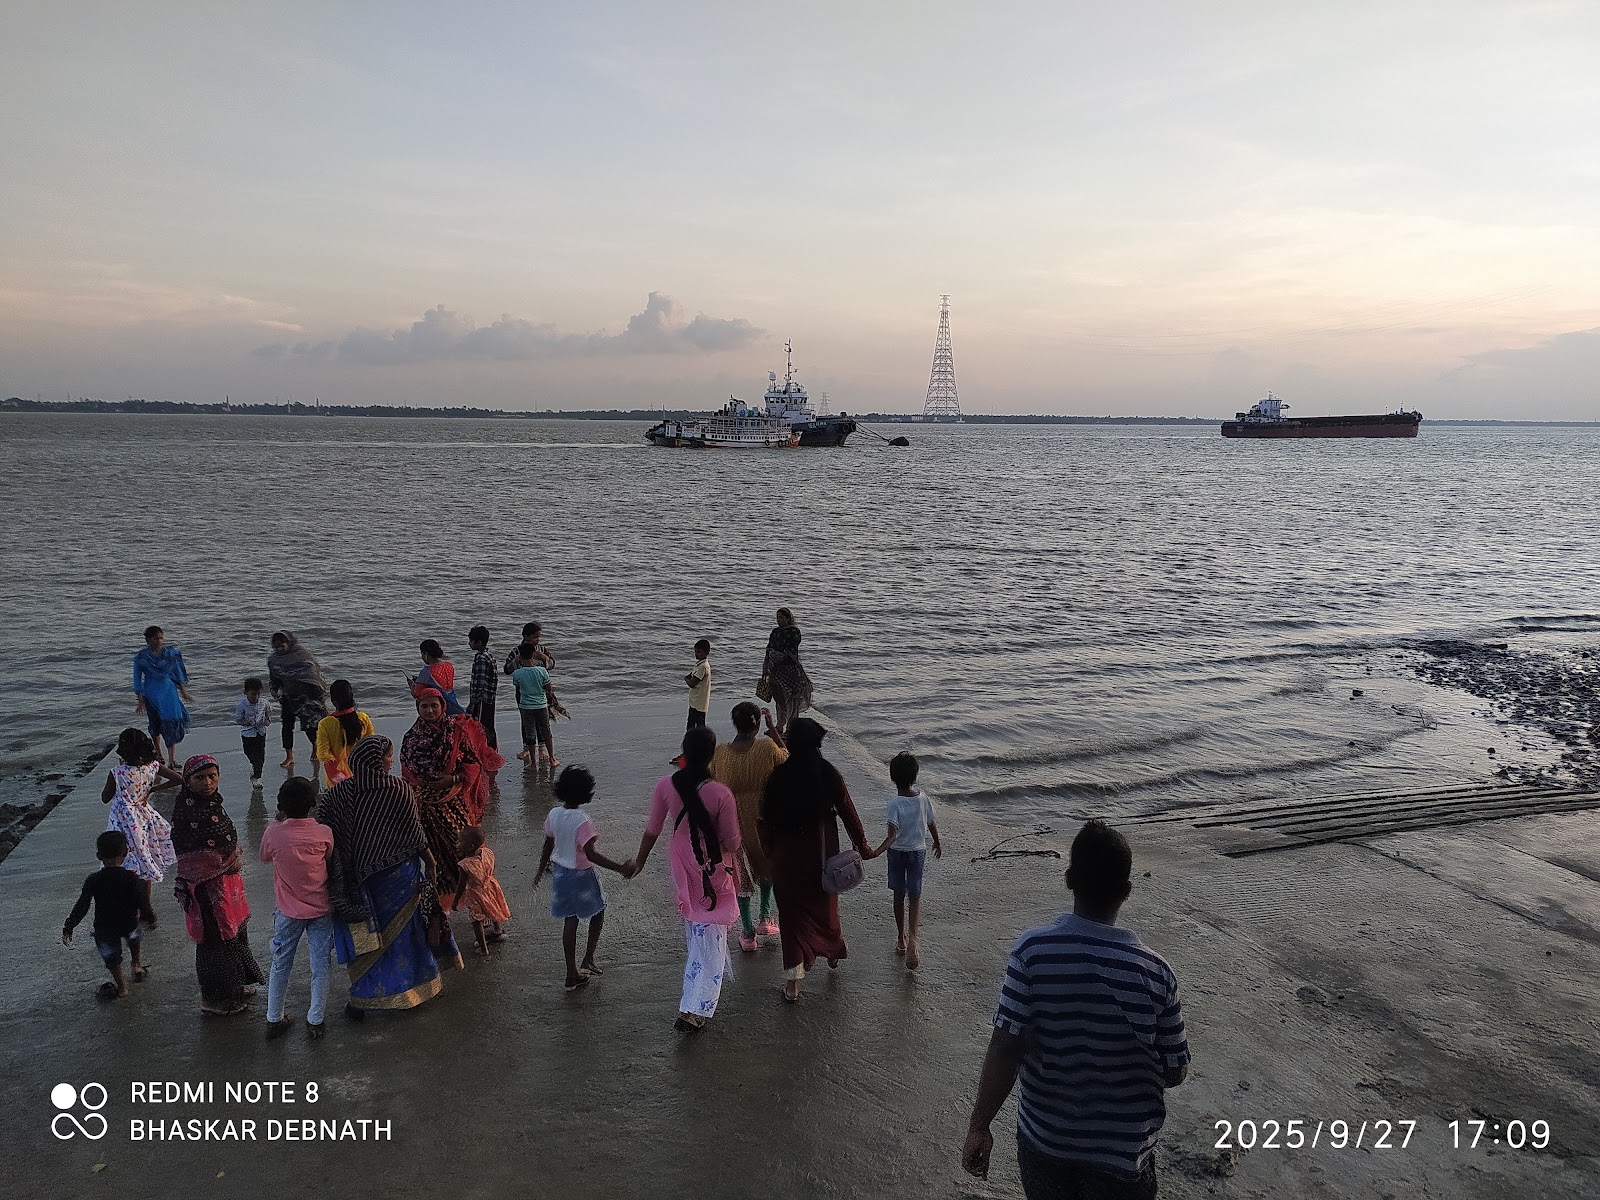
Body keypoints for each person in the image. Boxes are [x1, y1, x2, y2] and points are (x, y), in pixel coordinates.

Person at [962, 821, 1190, 1199]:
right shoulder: (1156, 973)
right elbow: (1175, 1071)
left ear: (1068, 879)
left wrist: (979, 1125)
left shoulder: (1031, 954)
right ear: (1126, 891)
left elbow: (1006, 1045)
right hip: (1123, 1156)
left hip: (1047, 1143)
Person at [318, 736, 454, 1015]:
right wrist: (431, 864)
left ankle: (364, 997)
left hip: (361, 882)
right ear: (377, 761)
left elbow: (326, 831)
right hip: (400, 877)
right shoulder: (398, 789)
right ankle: (409, 993)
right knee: (405, 935)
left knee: (370, 940)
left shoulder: (337, 795)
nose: (392, 761)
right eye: (389, 756)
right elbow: (416, 835)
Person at [626, 728, 742, 1032]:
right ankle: (694, 1008)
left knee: (698, 930)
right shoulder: (721, 794)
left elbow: (652, 829)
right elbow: (732, 841)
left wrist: (639, 861)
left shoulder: (666, 785)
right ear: (712, 754)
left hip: (682, 865)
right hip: (712, 869)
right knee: (711, 938)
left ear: (684, 753)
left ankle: (694, 1001)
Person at [760, 717, 872, 1002]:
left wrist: (768, 855)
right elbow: (849, 813)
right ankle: (833, 950)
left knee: (791, 917)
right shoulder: (828, 775)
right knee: (825, 907)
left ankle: (794, 984)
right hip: (821, 855)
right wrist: (863, 846)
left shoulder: (777, 778)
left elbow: (764, 822)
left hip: (786, 858)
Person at [171, 754, 266, 1016]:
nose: (207, 783)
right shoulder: (186, 813)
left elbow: (225, 839)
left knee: (235, 934)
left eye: (212, 776)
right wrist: (228, 862)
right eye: (200, 778)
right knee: (215, 942)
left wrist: (232, 857)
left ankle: (235, 985)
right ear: (187, 781)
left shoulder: (213, 804)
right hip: (204, 890)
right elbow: (192, 858)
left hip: (226, 887)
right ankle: (215, 999)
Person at [400, 690, 504, 899]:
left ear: (442, 706)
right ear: (417, 708)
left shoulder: (455, 731)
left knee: (465, 846)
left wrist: (452, 779)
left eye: (434, 706)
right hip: (428, 804)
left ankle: (480, 895)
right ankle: (449, 897)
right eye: (424, 706)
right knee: (438, 852)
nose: (430, 710)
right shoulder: (411, 738)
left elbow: (472, 762)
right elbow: (408, 770)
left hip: (454, 800)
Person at [533, 767, 629, 989]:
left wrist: (540, 870)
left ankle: (571, 972)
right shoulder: (582, 820)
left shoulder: (553, 814)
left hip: (560, 874)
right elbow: (591, 853)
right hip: (581, 875)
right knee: (599, 909)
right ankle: (589, 958)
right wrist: (620, 868)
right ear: (586, 792)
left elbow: (548, 843)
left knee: (570, 920)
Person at [259, 777, 335, 1040]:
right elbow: (329, 858)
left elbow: (265, 856)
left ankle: (274, 1017)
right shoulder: (324, 833)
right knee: (320, 965)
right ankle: (316, 1019)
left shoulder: (273, 833)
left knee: (280, 963)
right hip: (321, 909)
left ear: (281, 806)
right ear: (312, 804)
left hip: (288, 911)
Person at [711, 702, 788, 953]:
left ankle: (747, 933)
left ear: (735, 724)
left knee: (740, 872)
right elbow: (786, 758)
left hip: (731, 821)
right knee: (766, 864)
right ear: (756, 723)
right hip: (763, 817)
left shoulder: (720, 753)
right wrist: (773, 729)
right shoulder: (766, 748)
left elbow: (711, 781)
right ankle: (765, 917)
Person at [62, 830, 159, 1000]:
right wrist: (150, 917)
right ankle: (136, 965)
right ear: (125, 853)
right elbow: (142, 901)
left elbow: (82, 905)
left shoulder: (93, 880)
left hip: (105, 927)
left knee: (112, 958)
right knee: (134, 938)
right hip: (129, 922)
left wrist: (69, 925)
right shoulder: (131, 878)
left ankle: (122, 987)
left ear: (99, 855)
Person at [871, 751, 942, 970]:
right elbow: (931, 823)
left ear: (893, 778)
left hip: (897, 853)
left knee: (898, 895)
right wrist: (937, 842)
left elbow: (892, 835)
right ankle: (913, 937)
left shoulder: (894, 803)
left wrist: (876, 851)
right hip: (917, 852)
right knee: (915, 895)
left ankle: (901, 939)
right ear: (915, 776)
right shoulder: (923, 798)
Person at [99, 728, 181, 906]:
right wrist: (152, 789)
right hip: (144, 818)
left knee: (123, 862)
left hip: (121, 821)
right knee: (145, 860)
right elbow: (178, 779)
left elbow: (105, 798)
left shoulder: (117, 773)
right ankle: (145, 905)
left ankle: (130, 907)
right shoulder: (153, 767)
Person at [267, 631, 328, 771]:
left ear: (289, 642)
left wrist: (315, 693)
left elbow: (313, 674)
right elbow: (274, 678)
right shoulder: (273, 660)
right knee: (287, 726)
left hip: (306, 697)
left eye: (282, 646)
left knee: (309, 726)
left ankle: (315, 747)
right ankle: (289, 756)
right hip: (287, 696)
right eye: (276, 647)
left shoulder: (302, 654)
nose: (280, 649)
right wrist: (274, 690)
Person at [133, 625, 192, 767]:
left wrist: (183, 691)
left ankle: (172, 760)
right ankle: (158, 755)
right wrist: (140, 700)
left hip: (168, 692)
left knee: (171, 723)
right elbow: (137, 679)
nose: (159, 641)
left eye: (161, 638)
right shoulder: (141, 657)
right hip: (151, 693)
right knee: (155, 724)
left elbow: (177, 673)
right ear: (148, 640)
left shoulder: (170, 653)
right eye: (155, 638)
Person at [453, 826, 510, 957]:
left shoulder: (464, 864)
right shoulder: (488, 852)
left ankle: (484, 949)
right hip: (490, 886)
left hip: (475, 894)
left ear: (470, 846)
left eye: (460, 842)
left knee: (476, 919)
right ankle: (497, 931)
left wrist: (455, 902)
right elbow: (491, 867)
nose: (457, 844)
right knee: (492, 908)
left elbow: (461, 885)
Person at [511, 642, 566, 769]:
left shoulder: (517, 674)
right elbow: (548, 689)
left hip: (525, 706)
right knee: (546, 731)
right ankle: (552, 759)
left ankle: (533, 763)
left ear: (520, 656)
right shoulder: (542, 671)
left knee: (530, 734)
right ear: (534, 655)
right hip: (541, 705)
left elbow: (518, 687)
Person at [761, 608, 813, 735]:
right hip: (776, 671)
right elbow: (768, 649)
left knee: (791, 699)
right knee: (779, 698)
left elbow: (789, 651)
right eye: (777, 617)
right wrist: (765, 665)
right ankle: (779, 726)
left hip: (790, 671)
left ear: (788, 618)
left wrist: (776, 655)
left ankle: (791, 728)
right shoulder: (775, 632)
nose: (779, 620)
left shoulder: (794, 632)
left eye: (781, 617)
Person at [315, 679, 375, 786]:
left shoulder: (325, 724)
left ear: (333, 701)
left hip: (337, 780)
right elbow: (372, 746)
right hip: (362, 776)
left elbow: (323, 755)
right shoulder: (363, 718)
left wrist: (339, 777)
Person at [233, 678, 272, 783]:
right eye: (253, 694)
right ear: (246, 692)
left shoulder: (264, 702)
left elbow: (268, 711)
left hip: (261, 732)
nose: (256, 696)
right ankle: (255, 766)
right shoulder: (241, 705)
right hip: (247, 733)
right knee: (248, 752)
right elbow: (238, 719)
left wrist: (268, 720)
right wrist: (247, 723)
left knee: (260, 755)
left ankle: (257, 776)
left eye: (259, 693)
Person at [411, 639, 465, 714]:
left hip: (437, 706)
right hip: (452, 702)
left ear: (426, 654)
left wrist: (412, 686)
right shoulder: (448, 665)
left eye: (422, 654)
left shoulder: (427, 671)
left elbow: (417, 694)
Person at [467, 625, 499, 749]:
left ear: (479, 642)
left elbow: (480, 683)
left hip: (482, 699)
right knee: (488, 724)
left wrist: (473, 702)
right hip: (489, 698)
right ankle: (492, 749)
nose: (469, 644)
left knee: (482, 726)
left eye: (471, 641)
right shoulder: (488, 656)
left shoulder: (481, 658)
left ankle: (487, 750)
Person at [685, 638, 712, 731]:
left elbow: (692, 683)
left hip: (699, 702)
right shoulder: (699, 665)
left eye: (699, 652)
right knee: (691, 724)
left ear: (706, 653)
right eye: (696, 651)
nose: (696, 654)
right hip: (695, 700)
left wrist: (686, 679)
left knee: (699, 726)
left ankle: (700, 743)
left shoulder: (703, 667)